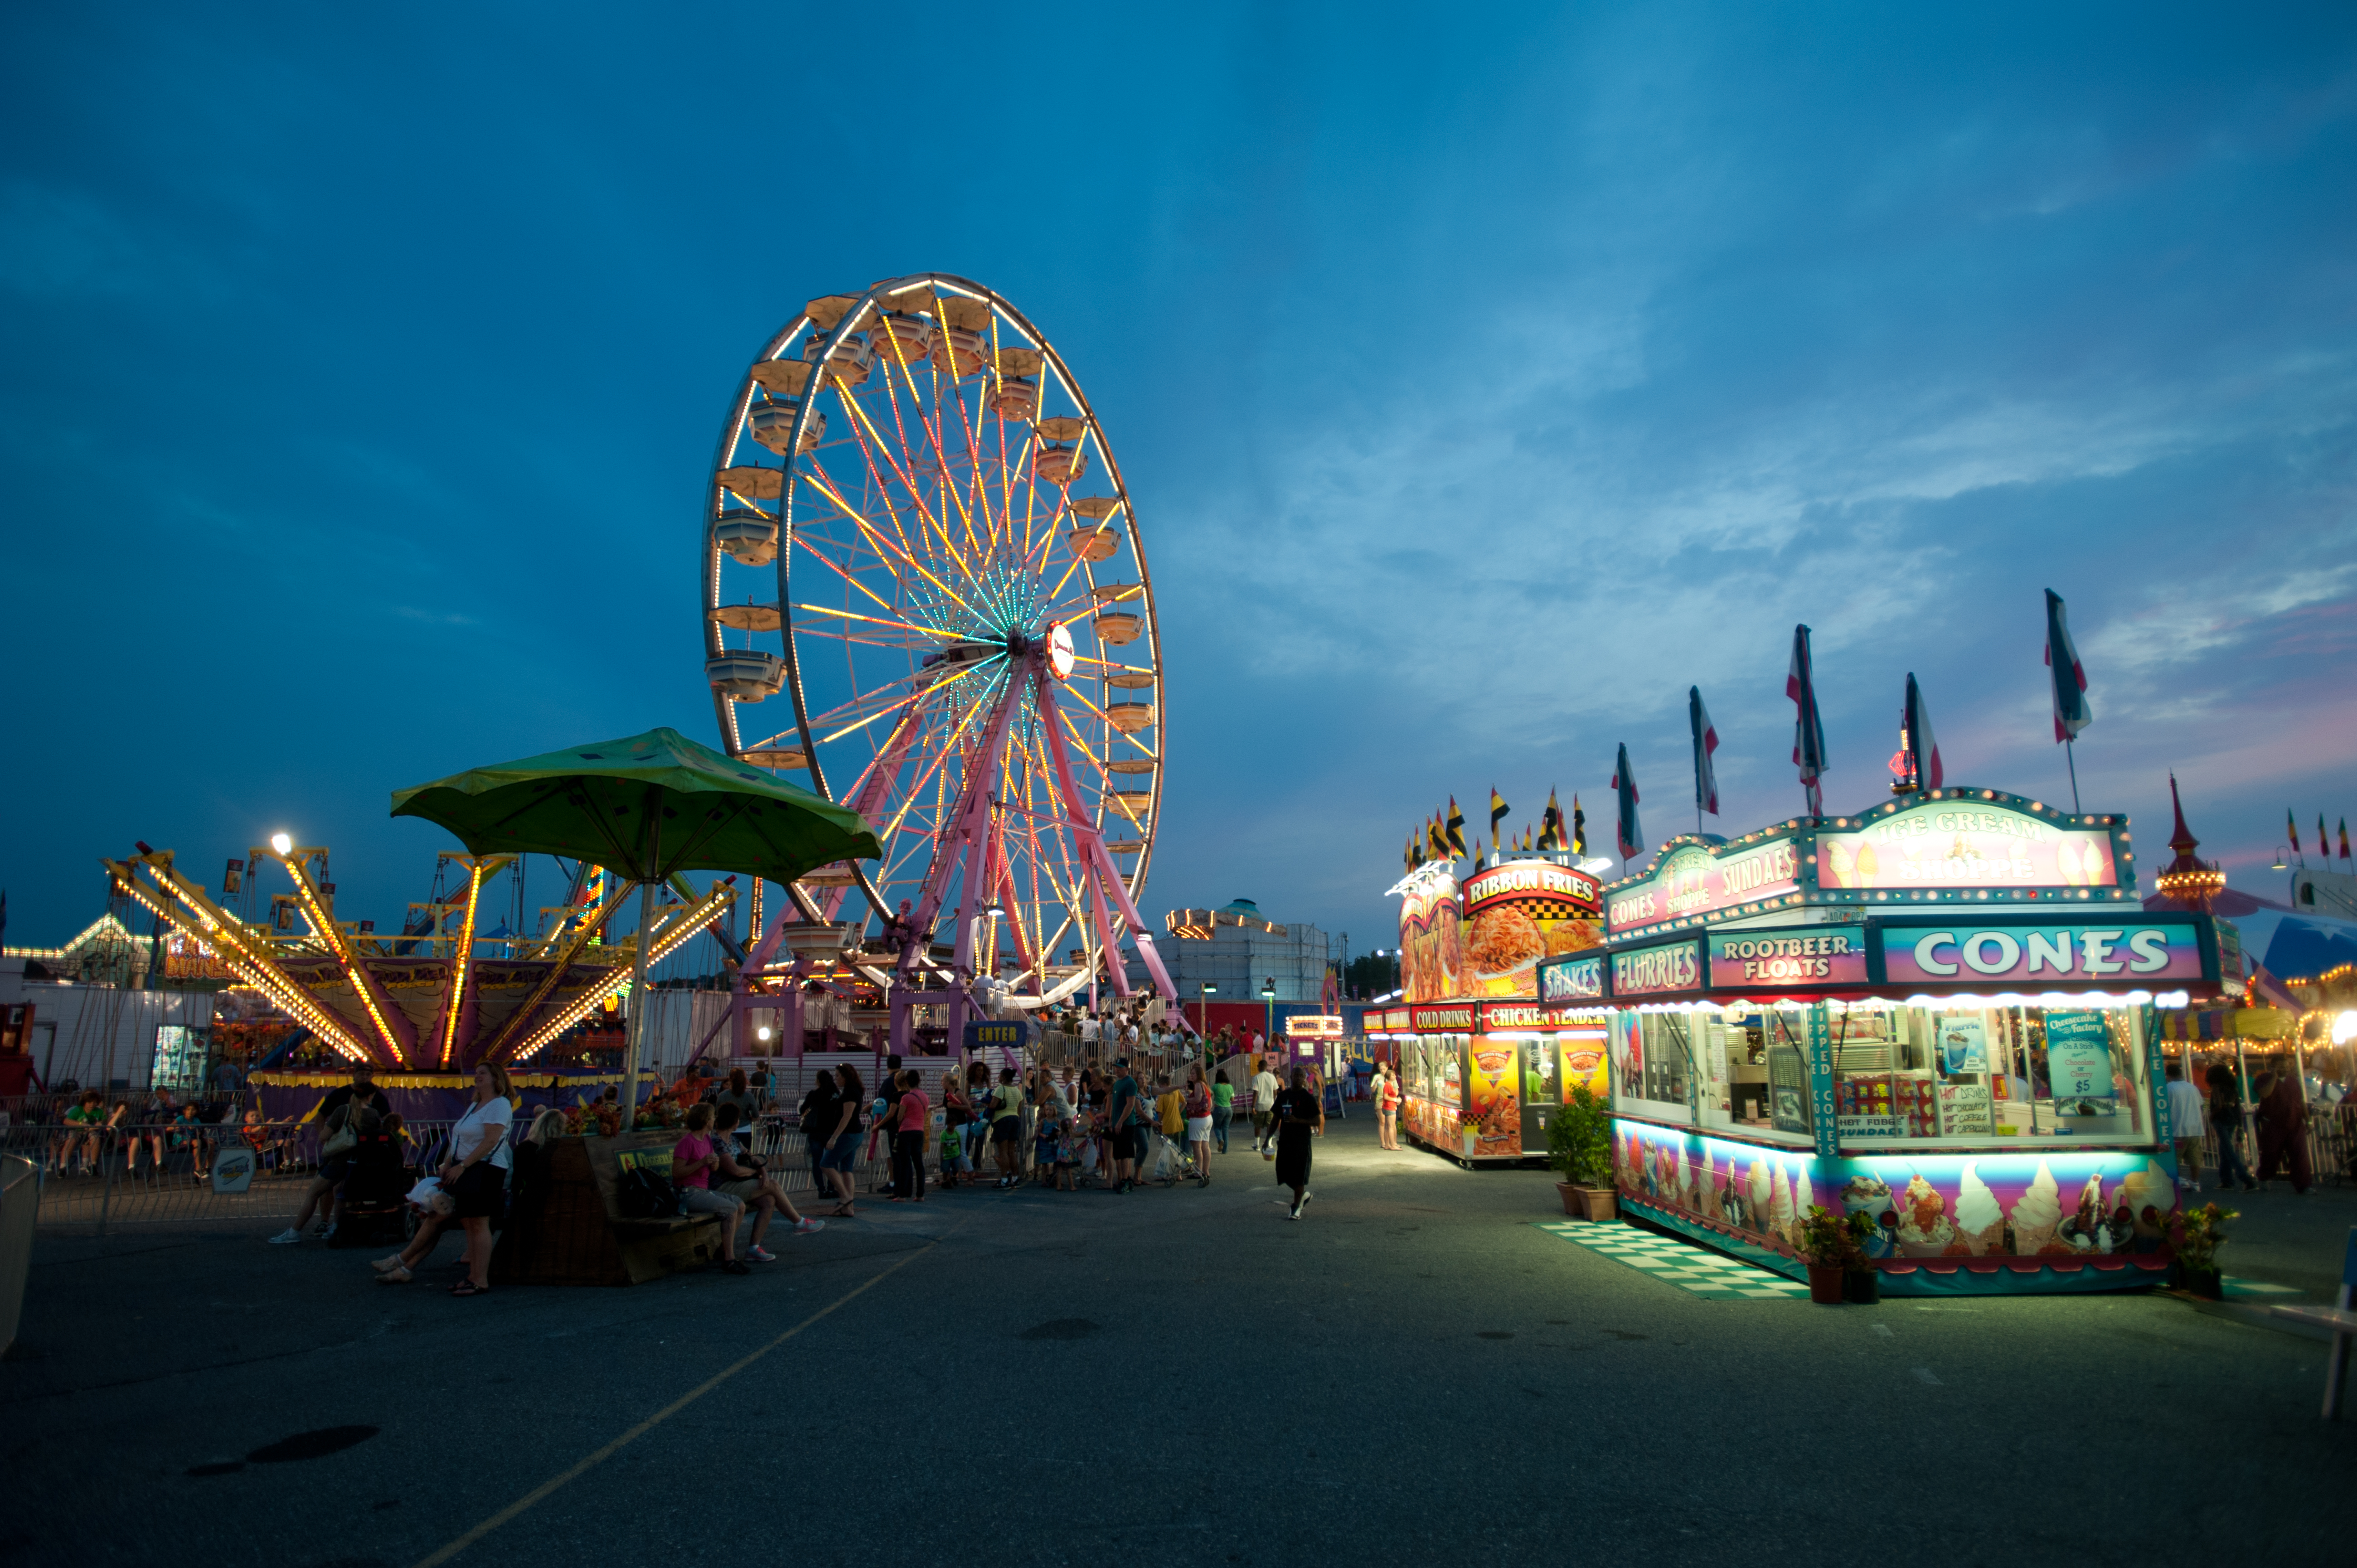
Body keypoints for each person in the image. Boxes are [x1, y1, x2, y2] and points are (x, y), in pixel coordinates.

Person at [709, 1102, 823, 1258]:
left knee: (769, 1200)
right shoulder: (717, 1141)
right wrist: (755, 1172)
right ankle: (799, 1223)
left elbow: (751, 1156)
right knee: (774, 1185)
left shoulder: (733, 1140)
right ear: (735, 1121)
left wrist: (762, 1168)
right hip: (722, 1187)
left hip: (737, 1184)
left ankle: (754, 1248)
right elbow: (734, 1171)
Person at [671, 1103, 751, 1273]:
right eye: (712, 1117)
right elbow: (677, 1173)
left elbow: (711, 1168)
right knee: (730, 1209)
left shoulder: (707, 1139)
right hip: (687, 1192)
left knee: (740, 1205)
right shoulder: (687, 1142)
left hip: (703, 1189)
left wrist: (714, 1164)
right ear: (705, 1120)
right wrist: (701, 1163)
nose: (715, 1120)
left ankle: (723, 1250)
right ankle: (730, 1259)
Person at [1270, 1065, 1324, 1220]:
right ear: (1291, 1077)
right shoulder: (1284, 1096)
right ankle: (1303, 1195)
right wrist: (1267, 1139)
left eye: (1302, 1076)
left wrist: (1298, 1121)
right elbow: (1275, 1119)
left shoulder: (1307, 1098)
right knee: (1284, 1174)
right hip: (1285, 1141)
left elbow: (1317, 1120)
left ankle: (1296, 1207)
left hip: (1302, 1142)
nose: (1299, 1078)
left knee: (1299, 1176)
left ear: (1305, 1079)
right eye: (1296, 1075)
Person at [2254, 1069, 2314, 1195]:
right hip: (2274, 1124)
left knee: (2299, 1154)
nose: (2286, 1068)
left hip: (2295, 1122)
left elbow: (2301, 1100)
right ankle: (2265, 1177)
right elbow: (2265, 1094)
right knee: (2271, 1153)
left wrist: (2308, 1120)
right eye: (2282, 1065)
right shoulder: (2265, 1079)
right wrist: (2274, 1078)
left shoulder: (2293, 1081)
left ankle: (2304, 1185)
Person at [821, 1064, 865, 1217]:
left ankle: (845, 1197)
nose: (836, 1079)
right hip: (854, 1134)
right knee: (847, 1169)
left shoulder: (850, 1093)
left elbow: (847, 1116)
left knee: (826, 1164)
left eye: (838, 1076)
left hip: (848, 1134)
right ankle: (848, 1207)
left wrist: (834, 1137)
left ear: (845, 1077)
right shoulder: (852, 1091)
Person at [2203, 1063, 2256, 1192]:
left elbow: (2218, 1105)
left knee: (2229, 1151)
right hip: (2232, 1119)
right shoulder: (2232, 1087)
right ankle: (2227, 1180)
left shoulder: (2217, 1087)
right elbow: (2237, 1106)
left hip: (2221, 1119)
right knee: (2224, 1150)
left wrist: (2212, 1116)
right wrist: (2239, 1124)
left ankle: (2246, 1179)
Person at [887, 1069, 929, 1203]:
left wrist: (901, 1125)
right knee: (918, 1163)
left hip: (906, 1131)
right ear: (919, 1081)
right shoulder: (925, 1097)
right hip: (919, 1130)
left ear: (906, 1081)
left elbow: (900, 1117)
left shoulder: (906, 1098)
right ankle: (920, 1194)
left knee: (905, 1163)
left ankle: (903, 1194)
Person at [2164, 1062, 2207, 1193]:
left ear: (2168, 1075)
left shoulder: (2168, 1088)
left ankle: (2178, 1180)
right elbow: (2201, 1104)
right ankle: (2195, 1181)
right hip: (2195, 1127)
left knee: (2175, 1157)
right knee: (2195, 1158)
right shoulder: (2193, 1088)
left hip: (2178, 1127)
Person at [1106, 1060, 1148, 1194]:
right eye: (1116, 1068)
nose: (1117, 1070)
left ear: (1127, 1069)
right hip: (1117, 1123)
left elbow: (1130, 1105)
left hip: (1126, 1124)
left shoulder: (1130, 1083)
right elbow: (1114, 1103)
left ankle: (1126, 1179)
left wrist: (1120, 1122)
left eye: (1120, 1068)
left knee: (1126, 1154)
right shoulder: (1118, 1083)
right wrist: (1112, 1120)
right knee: (1119, 1154)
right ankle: (1125, 1179)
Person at [799, 1070, 838, 1195]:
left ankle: (821, 1189)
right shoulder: (836, 1095)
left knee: (817, 1162)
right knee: (832, 1161)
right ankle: (832, 1188)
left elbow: (802, 1110)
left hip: (815, 1132)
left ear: (818, 1081)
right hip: (831, 1132)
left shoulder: (813, 1094)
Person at [989, 1067, 1026, 1188]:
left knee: (1003, 1152)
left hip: (1002, 1120)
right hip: (1015, 1119)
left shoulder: (1001, 1089)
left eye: (1000, 1076)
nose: (999, 1078)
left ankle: (1004, 1179)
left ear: (1004, 1078)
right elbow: (1020, 1110)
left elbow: (993, 1105)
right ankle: (1015, 1178)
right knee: (1012, 1151)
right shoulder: (1017, 1091)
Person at [1183, 1064, 1213, 1188]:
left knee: (1197, 1146)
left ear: (1199, 1075)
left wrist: (1186, 1099)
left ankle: (1198, 1171)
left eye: (1194, 1074)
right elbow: (1209, 1103)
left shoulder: (1198, 1085)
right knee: (1205, 1146)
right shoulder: (1206, 1086)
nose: (1191, 1076)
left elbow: (1197, 1099)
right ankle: (1206, 1171)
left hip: (1198, 1118)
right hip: (1208, 1117)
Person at [1250, 1060, 1281, 1153]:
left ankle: (1257, 1144)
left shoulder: (1257, 1078)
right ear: (1266, 1067)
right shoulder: (1272, 1077)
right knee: (1270, 1125)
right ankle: (1269, 1143)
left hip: (1260, 1105)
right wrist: (1273, 1101)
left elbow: (1256, 1092)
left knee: (1258, 1125)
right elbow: (1275, 1091)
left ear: (1260, 1067)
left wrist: (1253, 1106)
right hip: (1271, 1105)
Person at [1375, 1062, 1402, 1151]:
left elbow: (1395, 1093)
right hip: (1389, 1107)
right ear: (1390, 1077)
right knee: (1391, 1126)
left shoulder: (1390, 1084)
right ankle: (1393, 1145)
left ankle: (1388, 1144)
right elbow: (1386, 1097)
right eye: (1393, 1075)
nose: (1395, 1077)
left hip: (1390, 1106)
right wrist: (1395, 1100)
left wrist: (1396, 1099)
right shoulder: (1388, 1085)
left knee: (1388, 1126)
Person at [1210, 1070, 1235, 1155]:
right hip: (1229, 1110)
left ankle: (1220, 1140)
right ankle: (1225, 1151)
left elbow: (1209, 1096)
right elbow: (1233, 1099)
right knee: (1226, 1129)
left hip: (1219, 1109)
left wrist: (1214, 1103)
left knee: (1217, 1127)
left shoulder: (1215, 1087)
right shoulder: (1230, 1087)